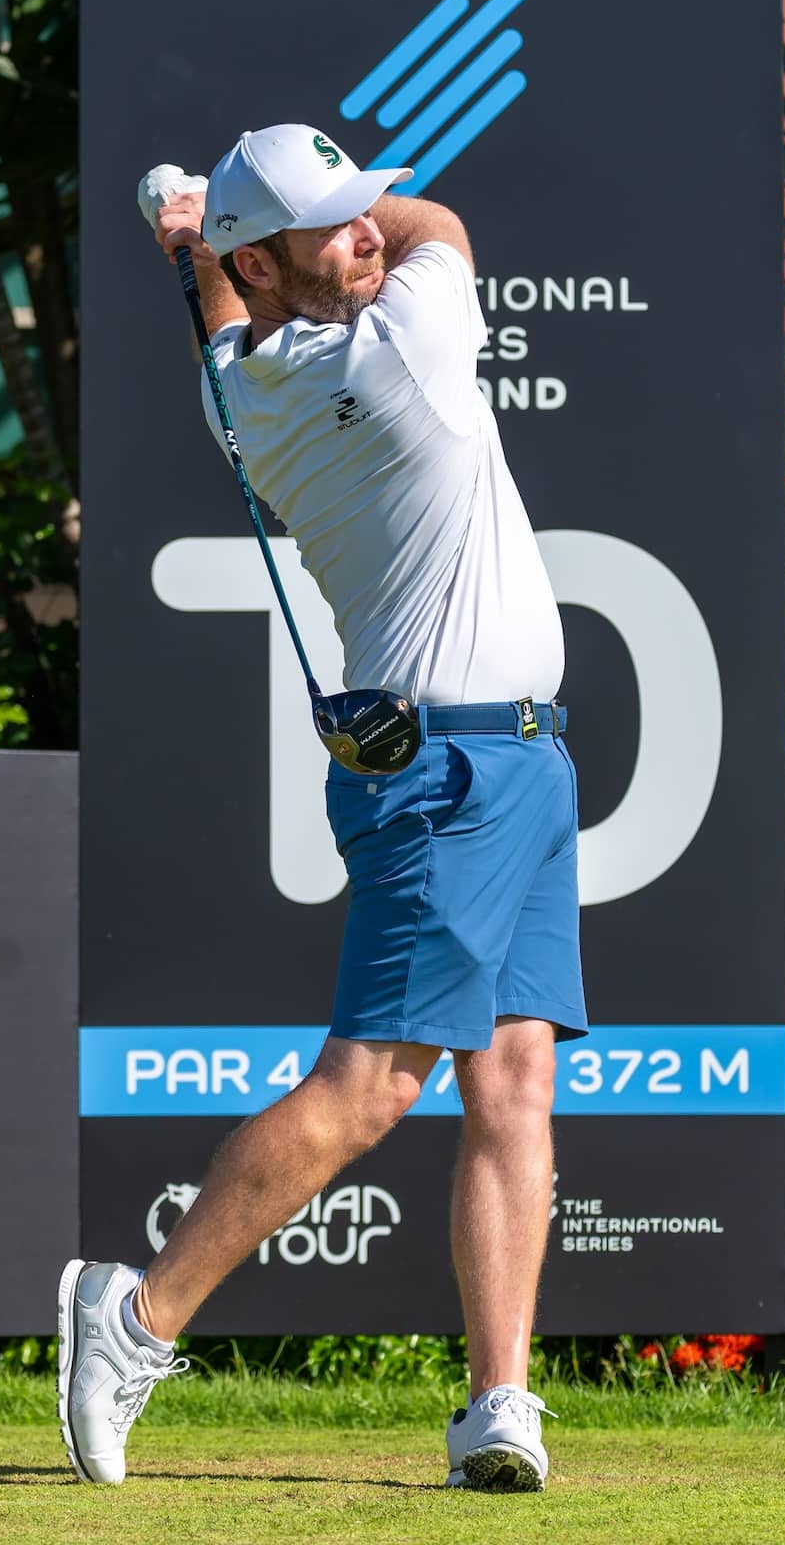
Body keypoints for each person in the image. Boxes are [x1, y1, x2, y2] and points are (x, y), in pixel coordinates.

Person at [58, 124, 583, 1492]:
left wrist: (205, 243)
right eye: (335, 223)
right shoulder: (401, 345)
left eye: (362, 210)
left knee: (515, 1076)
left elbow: (231, 325)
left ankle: (498, 1404)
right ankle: (134, 1319)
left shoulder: (244, 395)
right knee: (369, 1092)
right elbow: (443, 227)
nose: (368, 231)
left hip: (515, 762)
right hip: (456, 775)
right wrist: (203, 235)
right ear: (267, 262)